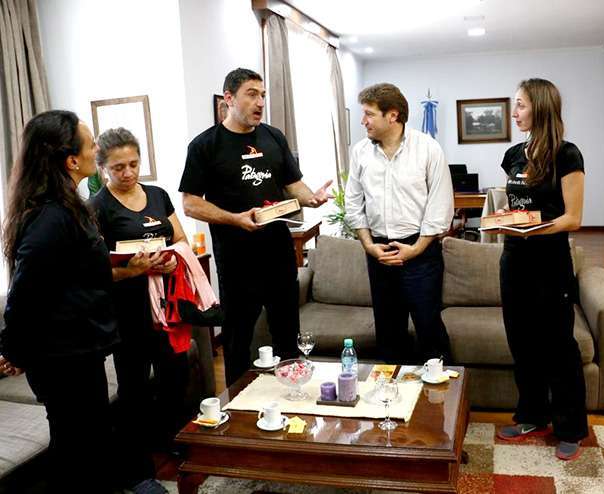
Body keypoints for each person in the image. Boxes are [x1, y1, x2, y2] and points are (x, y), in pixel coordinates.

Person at [179, 68, 332, 386]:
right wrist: (234, 219)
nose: (260, 101)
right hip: (236, 259)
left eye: (263, 94)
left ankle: (292, 398)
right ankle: (237, 407)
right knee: (238, 339)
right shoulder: (205, 145)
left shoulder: (273, 136)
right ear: (229, 99)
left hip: (278, 249)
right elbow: (190, 203)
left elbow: (293, 184)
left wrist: (312, 198)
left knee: (287, 332)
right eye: (252, 93)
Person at [0, 110, 118, 492]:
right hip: (62, 359)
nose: (96, 148)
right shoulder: (50, 216)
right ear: (71, 160)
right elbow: (25, 290)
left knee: (88, 445)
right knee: (76, 450)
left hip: (78, 350)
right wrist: (13, 350)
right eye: (90, 144)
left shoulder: (68, 206)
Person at [89, 127, 188, 494]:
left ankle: (174, 441)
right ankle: (137, 464)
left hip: (165, 304)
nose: (128, 173)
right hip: (126, 311)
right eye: (119, 168)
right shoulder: (96, 207)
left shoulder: (158, 195)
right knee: (133, 388)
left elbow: (178, 239)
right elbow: (97, 270)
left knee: (174, 375)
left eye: (133, 164)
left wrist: (169, 260)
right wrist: (135, 269)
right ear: (103, 169)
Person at [493, 79, 588, 461]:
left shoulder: (567, 155)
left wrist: (533, 227)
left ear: (540, 108)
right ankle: (532, 415)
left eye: (519, 106)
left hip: (550, 262)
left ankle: (570, 428)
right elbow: (518, 207)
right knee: (522, 342)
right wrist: (507, 221)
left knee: (558, 345)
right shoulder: (514, 154)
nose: (514, 113)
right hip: (514, 259)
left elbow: (574, 218)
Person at [344, 82, 453, 364]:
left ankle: (443, 404)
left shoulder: (428, 149)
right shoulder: (360, 153)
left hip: (421, 252)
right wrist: (369, 246)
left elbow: (439, 207)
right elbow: (354, 204)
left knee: (429, 330)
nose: (362, 120)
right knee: (389, 334)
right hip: (378, 252)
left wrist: (415, 249)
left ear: (392, 115)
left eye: (369, 113)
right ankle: (393, 403)